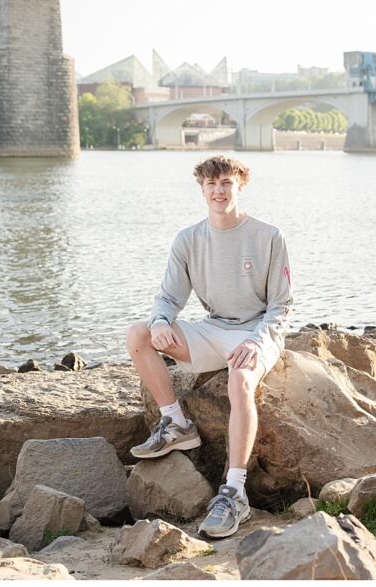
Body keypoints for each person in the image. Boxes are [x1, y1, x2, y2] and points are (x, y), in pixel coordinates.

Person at [125, 154, 293, 538]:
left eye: (227, 183)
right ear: (202, 188)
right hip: (212, 329)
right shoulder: (188, 240)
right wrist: (162, 322)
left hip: (257, 333)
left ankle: (234, 491)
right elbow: (168, 297)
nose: (219, 191)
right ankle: (177, 423)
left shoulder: (269, 236)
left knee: (240, 380)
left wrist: (257, 340)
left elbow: (282, 306)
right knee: (139, 335)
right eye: (212, 184)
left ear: (241, 185)